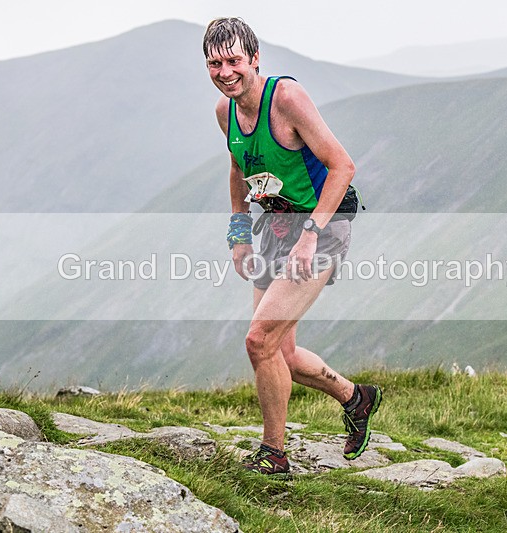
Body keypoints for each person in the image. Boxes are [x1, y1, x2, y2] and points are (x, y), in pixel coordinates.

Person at [203, 17, 382, 475]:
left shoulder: (286, 98)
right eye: (215, 63)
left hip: (322, 224)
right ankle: (355, 398)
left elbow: (342, 167)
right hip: (276, 226)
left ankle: (274, 453)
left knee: (259, 340)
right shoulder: (225, 112)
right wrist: (239, 233)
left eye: (234, 61)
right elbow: (237, 169)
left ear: (254, 58)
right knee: (281, 352)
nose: (225, 72)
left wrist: (310, 235)